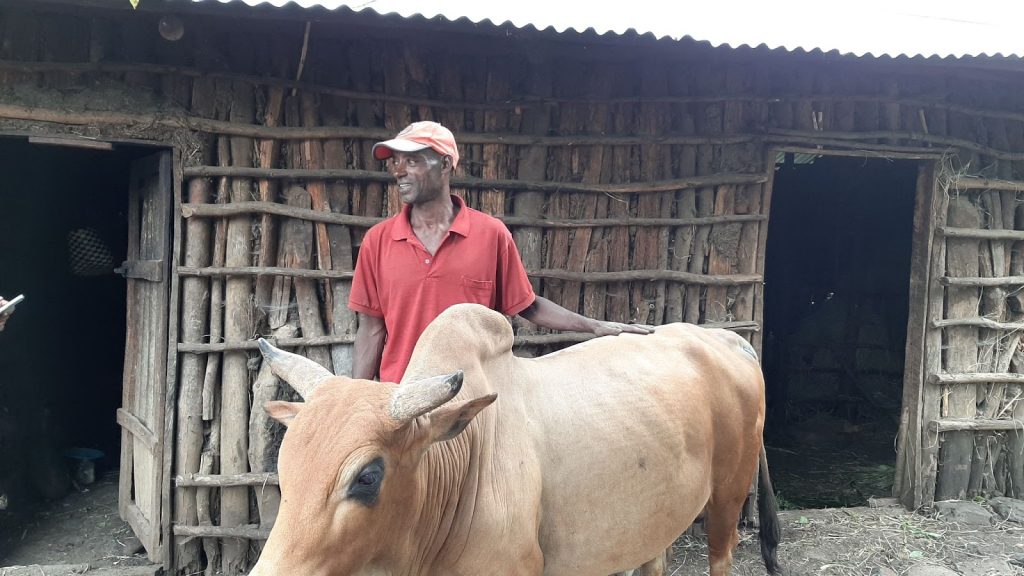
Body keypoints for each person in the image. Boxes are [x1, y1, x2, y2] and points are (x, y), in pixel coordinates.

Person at [349, 121, 653, 382]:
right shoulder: (379, 241)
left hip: (474, 403)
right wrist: (347, 403)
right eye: (395, 162)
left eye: (412, 161)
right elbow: (371, 329)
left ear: (444, 165)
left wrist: (593, 325)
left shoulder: (490, 235)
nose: (398, 172)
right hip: (403, 400)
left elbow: (528, 305)